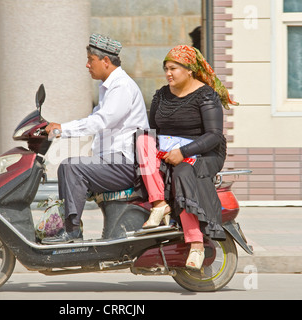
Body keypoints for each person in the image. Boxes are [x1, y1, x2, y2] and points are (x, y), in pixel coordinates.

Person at [136, 45, 238, 270]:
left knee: (183, 172)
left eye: (173, 68)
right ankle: (159, 204)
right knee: (143, 139)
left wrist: (183, 152)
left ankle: (196, 245)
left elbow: (214, 135)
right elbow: (153, 130)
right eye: (166, 68)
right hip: (170, 150)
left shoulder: (205, 95)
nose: (168, 73)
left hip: (204, 153)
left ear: (189, 70)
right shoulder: (161, 94)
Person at [42, 34, 149, 244]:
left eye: (90, 60)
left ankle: (72, 232)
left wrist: (61, 129)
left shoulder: (121, 87)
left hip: (124, 163)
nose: (87, 65)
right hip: (114, 162)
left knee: (71, 167)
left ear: (105, 61)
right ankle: (69, 227)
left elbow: (99, 122)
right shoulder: (109, 88)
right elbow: (95, 120)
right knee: (71, 168)